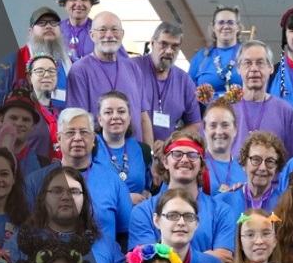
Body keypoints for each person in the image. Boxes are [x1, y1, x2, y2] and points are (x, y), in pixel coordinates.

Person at [26, 108, 133, 243]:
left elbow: (126, 235)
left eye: (84, 132)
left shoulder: (114, 182)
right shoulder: (35, 181)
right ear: (59, 138)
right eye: (70, 132)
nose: (77, 138)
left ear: (93, 139)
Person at [129, 133, 235, 263]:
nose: (184, 160)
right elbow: (146, 261)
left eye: (192, 155)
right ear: (165, 162)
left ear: (202, 165)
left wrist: (165, 255)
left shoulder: (222, 211)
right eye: (177, 154)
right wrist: (206, 258)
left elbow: (223, 259)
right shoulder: (143, 211)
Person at [25, 165, 124, 263]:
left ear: (84, 200)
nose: (66, 197)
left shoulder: (105, 243)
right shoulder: (22, 241)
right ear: (43, 199)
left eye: (74, 191)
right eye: (57, 191)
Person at [65, 12, 151, 142]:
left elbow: (143, 116)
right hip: (99, 154)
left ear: (122, 34)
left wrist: (149, 155)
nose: (109, 35)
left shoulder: (132, 68)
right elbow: (78, 120)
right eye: (102, 30)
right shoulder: (80, 70)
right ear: (92, 35)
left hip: (135, 153)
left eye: (115, 29)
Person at [0, 6, 70, 129]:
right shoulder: (11, 63)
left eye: (53, 23)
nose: (48, 26)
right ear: (30, 31)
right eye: (41, 23)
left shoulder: (71, 65)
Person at [231, 40, 293, 160]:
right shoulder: (224, 107)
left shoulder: (284, 111)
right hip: (231, 178)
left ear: (271, 68)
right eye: (247, 63)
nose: (254, 69)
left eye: (260, 63)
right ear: (238, 68)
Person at [138, 23, 201, 144]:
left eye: (175, 46)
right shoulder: (132, 68)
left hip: (168, 155)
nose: (168, 51)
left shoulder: (184, 80)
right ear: (152, 43)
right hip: (133, 150)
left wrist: (170, 143)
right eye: (164, 44)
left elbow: (195, 124)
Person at [93, 91, 153, 201]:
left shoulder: (143, 150)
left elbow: (146, 191)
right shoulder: (90, 147)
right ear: (100, 119)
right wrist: (125, 200)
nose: (115, 116)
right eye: (108, 112)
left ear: (129, 117)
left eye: (121, 111)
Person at [216, 130, 286, 220]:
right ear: (244, 163)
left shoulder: (285, 205)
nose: (262, 168)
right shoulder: (222, 202)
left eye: (270, 161)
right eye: (256, 160)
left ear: (277, 167)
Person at [190, 5, 245, 97]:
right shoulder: (201, 57)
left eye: (231, 22)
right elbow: (188, 93)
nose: (226, 26)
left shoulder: (248, 55)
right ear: (213, 27)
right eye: (221, 22)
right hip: (206, 110)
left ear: (238, 27)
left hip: (242, 111)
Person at [202, 100, 247, 193]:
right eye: (213, 126)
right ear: (204, 130)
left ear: (235, 129)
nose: (219, 132)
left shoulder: (245, 170)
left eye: (225, 125)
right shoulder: (194, 165)